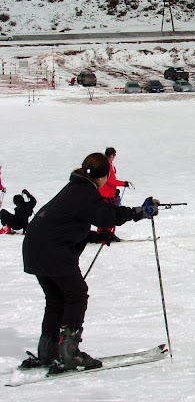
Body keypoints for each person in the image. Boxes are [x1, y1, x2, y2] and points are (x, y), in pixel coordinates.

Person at [21, 152, 159, 371]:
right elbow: (106, 216)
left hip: (35, 248)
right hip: (52, 250)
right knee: (76, 294)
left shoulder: (74, 189)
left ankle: (48, 351)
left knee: (57, 298)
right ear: (102, 176)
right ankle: (70, 353)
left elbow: (68, 222)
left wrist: (96, 236)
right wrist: (139, 212)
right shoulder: (84, 192)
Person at [98, 148, 132, 242]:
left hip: (105, 193)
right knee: (110, 214)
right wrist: (123, 183)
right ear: (112, 155)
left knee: (105, 214)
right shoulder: (107, 165)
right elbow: (111, 181)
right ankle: (107, 235)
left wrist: (115, 190)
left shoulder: (104, 163)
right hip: (107, 194)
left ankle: (102, 234)